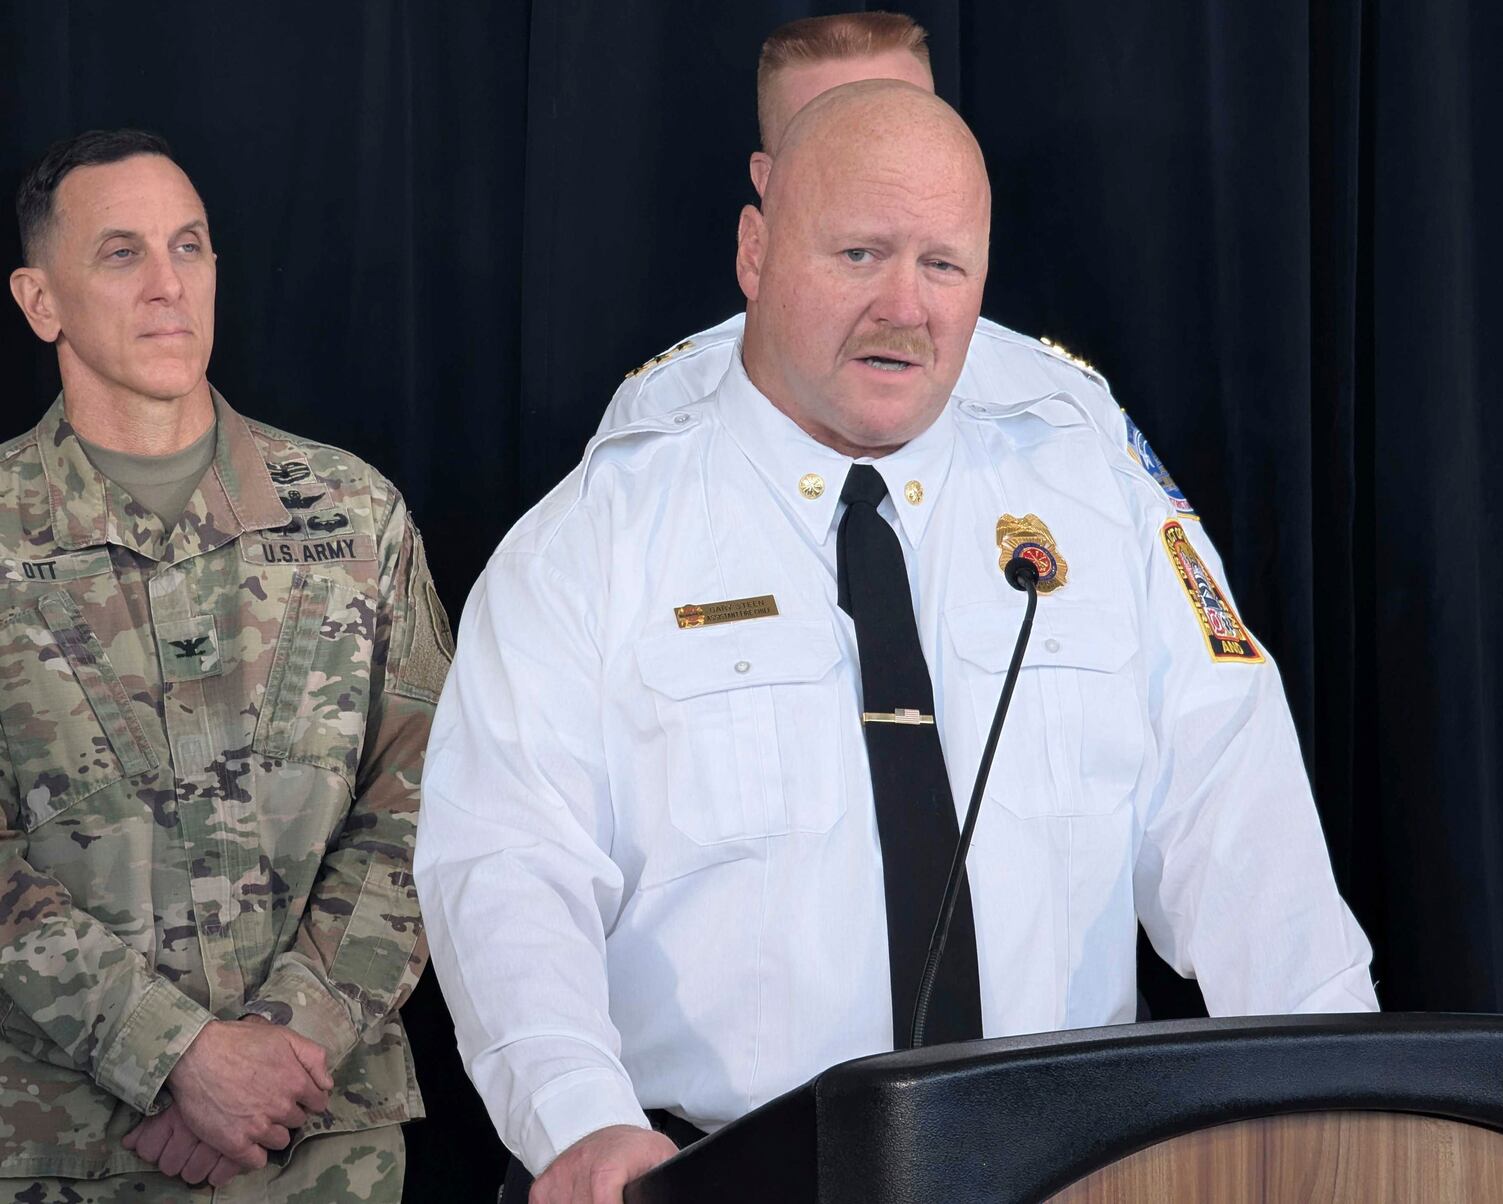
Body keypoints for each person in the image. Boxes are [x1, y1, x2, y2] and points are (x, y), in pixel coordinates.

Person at [417, 81, 1376, 1204]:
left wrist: (1342, 1105)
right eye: (860, 253)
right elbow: (505, 866)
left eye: (944, 264)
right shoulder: (592, 541)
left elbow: (1237, 820)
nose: (904, 308)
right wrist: (579, 1121)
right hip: (724, 1176)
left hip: (1075, 1170)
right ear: (754, 252)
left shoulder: (1098, 508)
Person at [0, 129, 448, 1201]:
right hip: (69, 1151)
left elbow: (435, 798)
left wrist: (278, 1047)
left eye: (189, 247)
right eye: (121, 254)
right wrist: (174, 1055)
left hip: (321, 1143)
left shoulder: (353, 515)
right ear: (40, 300)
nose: (168, 286)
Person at [600, 11, 1118, 445]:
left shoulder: (1062, 402)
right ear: (766, 179)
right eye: (825, 130)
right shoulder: (664, 407)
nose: (875, 150)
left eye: (904, 120)